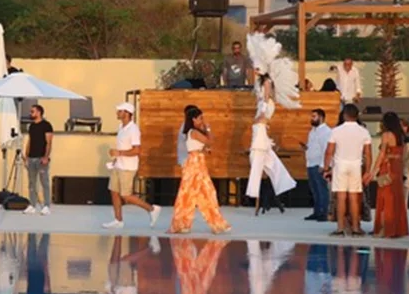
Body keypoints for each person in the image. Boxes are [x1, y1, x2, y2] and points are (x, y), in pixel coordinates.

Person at [168, 106, 231, 235]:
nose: (202, 120)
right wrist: (207, 129)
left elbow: (204, 145)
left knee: (206, 193)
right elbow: (210, 141)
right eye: (200, 118)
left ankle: (216, 223)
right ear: (194, 119)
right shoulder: (193, 132)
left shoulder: (194, 132)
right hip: (194, 164)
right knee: (188, 194)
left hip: (198, 163)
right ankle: (181, 223)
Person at [104, 102, 161, 229]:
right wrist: (115, 159)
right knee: (114, 192)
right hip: (118, 165)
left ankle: (151, 209)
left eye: (120, 111)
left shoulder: (133, 130)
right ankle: (118, 220)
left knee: (126, 195)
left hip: (128, 167)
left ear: (127, 113)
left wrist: (119, 153)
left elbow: (137, 150)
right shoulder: (121, 127)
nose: (117, 113)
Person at [246, 74, 296, 215]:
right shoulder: (259, 82)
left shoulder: (267, 81)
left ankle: (259, 196)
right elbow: (261, 97)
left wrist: (262, 111)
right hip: (261, 109)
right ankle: (275, 189)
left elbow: (266, 97)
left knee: (259, 127)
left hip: (265, 108)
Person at [323, 103, 372, 237]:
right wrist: (368, 171)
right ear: (357, 116)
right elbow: (368, 154)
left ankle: (340, 228)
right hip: (356, 165)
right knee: (354, 198)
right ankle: (356, 228)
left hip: (340, 165)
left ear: (344, 115)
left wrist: (326, 168)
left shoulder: (336, 131)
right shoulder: (364, 131)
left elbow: (329, 152)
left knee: (341, 198)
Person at [369, 111, 409, 239]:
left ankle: (385, 228)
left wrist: (373, 171)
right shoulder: (400, 136)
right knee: (396, 198)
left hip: (388, 168)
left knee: (385, 199)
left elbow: (382, 154)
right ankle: (397, 228)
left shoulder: (386, 135)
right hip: (397, 169)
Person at [300, 108, 331, 222]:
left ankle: (324, 212)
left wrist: (324, 165)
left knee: (321, 189)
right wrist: (306, 148)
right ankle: (317, 211)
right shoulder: (312, 131)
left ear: (321, 118)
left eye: (314, 116)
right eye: (311, 116)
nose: (311, 119)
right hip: (310, 163)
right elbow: (312, 146)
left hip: (319, 164)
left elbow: (326, 150)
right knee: (314, 190)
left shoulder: (326, 132)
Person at [24, 104, 53, 215]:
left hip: (41, 158)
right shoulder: (31, 126)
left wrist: (46, 156)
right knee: (31, 183)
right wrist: (26, 156)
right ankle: (32, 204)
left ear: (39, 112)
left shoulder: (47, 125)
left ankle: (46, 205)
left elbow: (49, 143)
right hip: (31, 157)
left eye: (33, 111)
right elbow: (30, 141)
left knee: (44, 182)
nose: (31, 113)